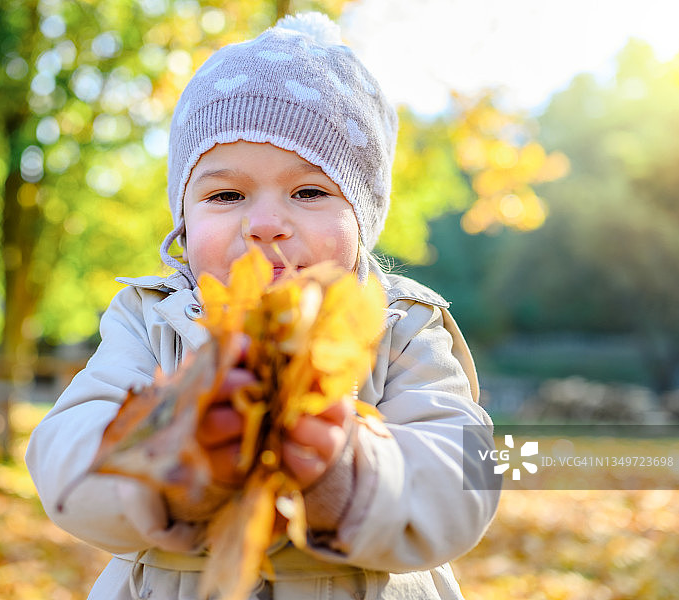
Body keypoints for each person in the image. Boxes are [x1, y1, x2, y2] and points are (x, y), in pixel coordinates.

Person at [26, 12, 499, 600]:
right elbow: (62, 455)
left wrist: (346, 472)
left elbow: (469, 474)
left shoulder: (400, 322)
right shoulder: (150, 319)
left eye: (309, 192)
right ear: (183, 218)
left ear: (363, 219)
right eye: (226, 194)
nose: (266, 225)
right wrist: (171, 462)